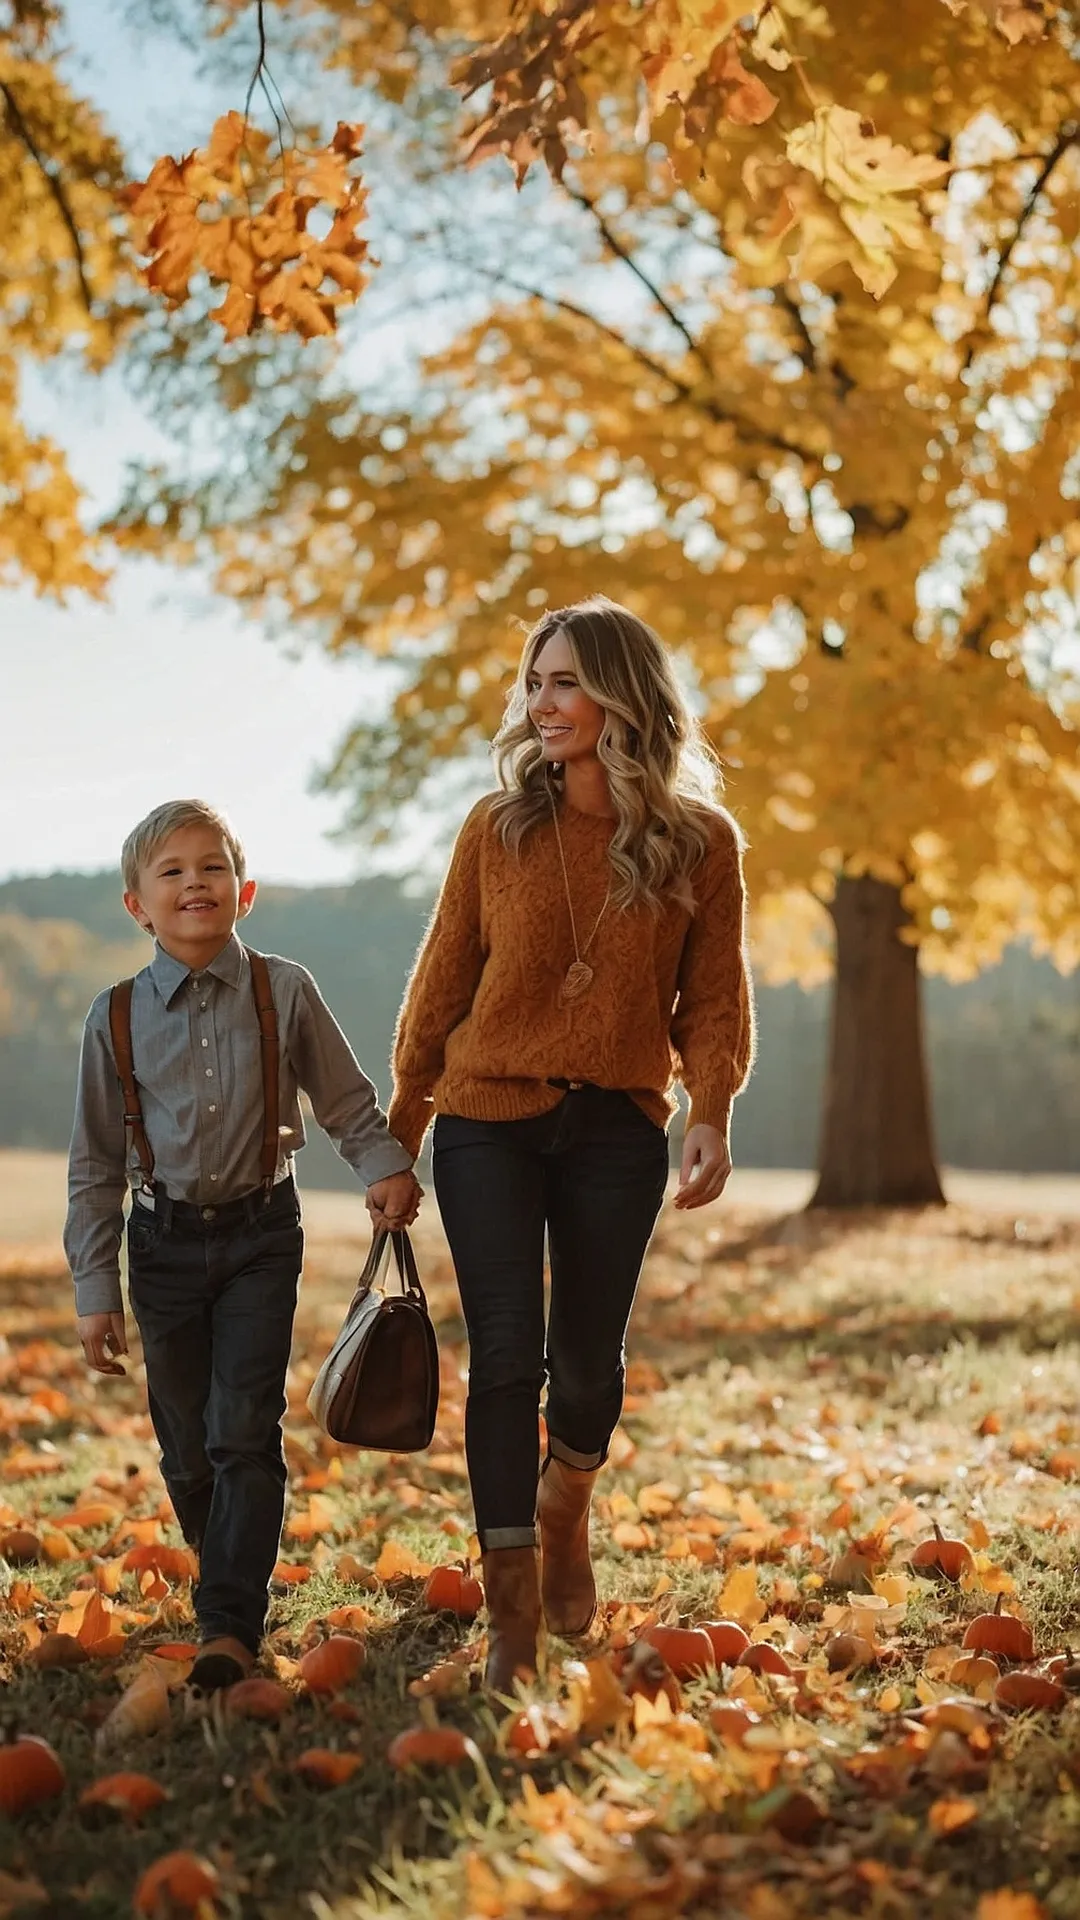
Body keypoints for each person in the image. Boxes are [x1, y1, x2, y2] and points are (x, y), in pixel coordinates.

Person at [389, 595, 755, 1690]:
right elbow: (443, 976)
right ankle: (510, 1620)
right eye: (534, 684)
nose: (541, 704)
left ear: (622, 697)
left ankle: (566, 1503)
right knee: (505, 1354)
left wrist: (714, 1115)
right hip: (486, 1119)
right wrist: (401, 1129)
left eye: (564, 683)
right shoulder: (497, 829)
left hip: (616, 1128)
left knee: (586, 1366)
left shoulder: (701, 842)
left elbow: (714, 1000)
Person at [65, 798, 421, 1690]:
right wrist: (94, 1288)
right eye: (172, 872)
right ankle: (225, 1557)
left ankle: (229, 1620)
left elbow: (343, 1100)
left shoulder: (284, 990)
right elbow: (95, 1164)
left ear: (245, 890)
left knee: (242, 1430)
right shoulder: (112, 1021)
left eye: (213, 868)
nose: (196, 884)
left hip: (264, 1233)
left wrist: (383, 1164)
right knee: (186, 1443)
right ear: (136, 905)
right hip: (163, 1243)